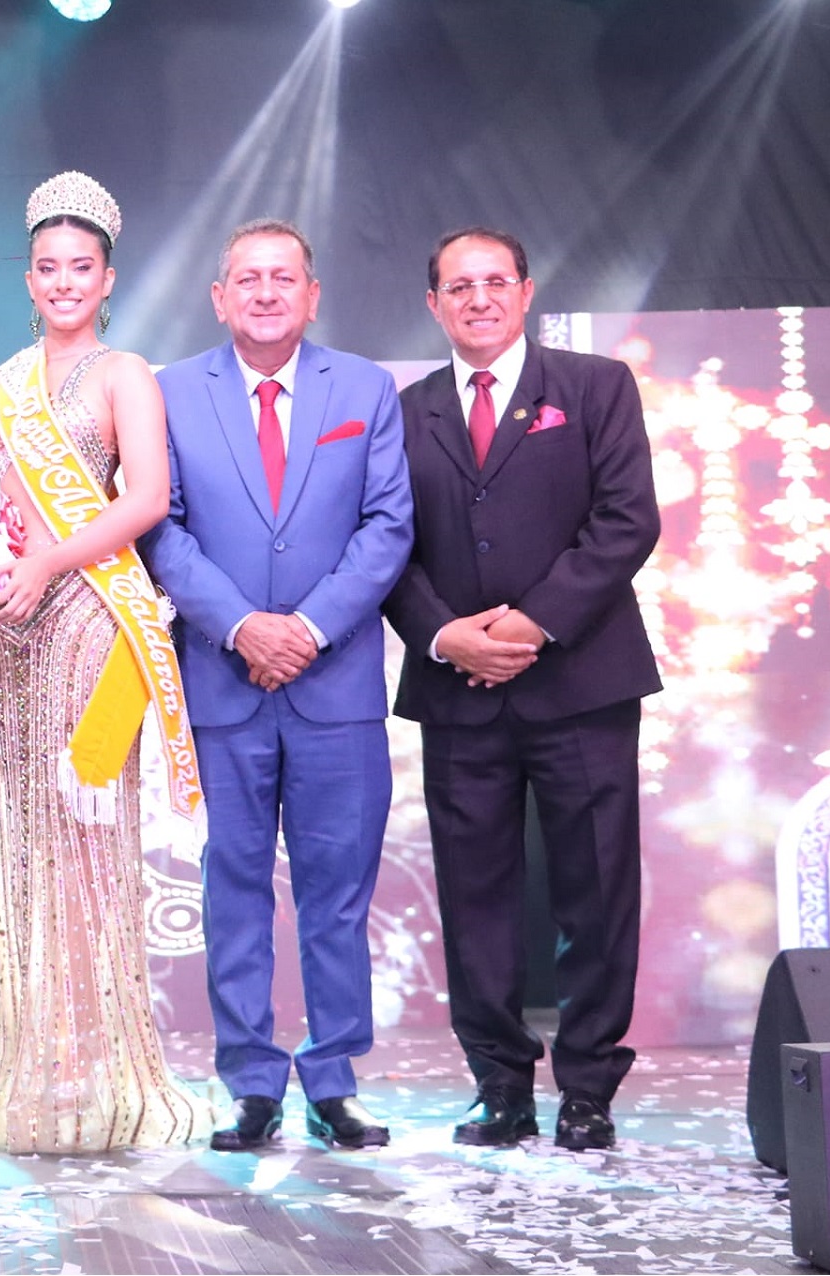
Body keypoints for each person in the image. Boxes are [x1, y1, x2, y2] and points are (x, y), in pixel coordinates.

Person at [0, 171, 212, 1153]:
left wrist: (48, 561)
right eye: (47, 267)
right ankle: (36, 1061)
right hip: (8, 625)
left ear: (107, 277)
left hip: (92, 618)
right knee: (25, 838)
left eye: (80, 267)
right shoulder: (0, 384)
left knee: (86, 832)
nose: (62, 282)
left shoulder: (125, 373)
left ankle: (98, 1066)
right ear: (29, 278)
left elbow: (147, 499)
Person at [383, 226, 660, 1152]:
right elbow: (384, 541)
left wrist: (530, 624)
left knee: (598, 889)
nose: (479, 299)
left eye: (494, 281)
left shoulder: (595, 386)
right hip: (458, 688)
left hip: (583, 678)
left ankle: (589, 1088)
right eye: (458, 287)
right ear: (434, 305)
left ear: (527, 291)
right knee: (476, 897)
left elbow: (627, 521)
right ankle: (499, 1086)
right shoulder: (405, 410)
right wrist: (443, 634)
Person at [141, 220, 413, 1152]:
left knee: (338, 894)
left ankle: (334, 1080)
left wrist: (305, 628)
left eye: (283, 278)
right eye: (247, 279)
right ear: (219, 297)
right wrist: (241, 625)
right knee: (235, 887)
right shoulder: (171, 392)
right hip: (222, 681)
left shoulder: (365, 389)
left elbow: (387, 525)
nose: (265, 293)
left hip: (336, 686)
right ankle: (250, 1082)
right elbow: (160, 526)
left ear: (312, 293)